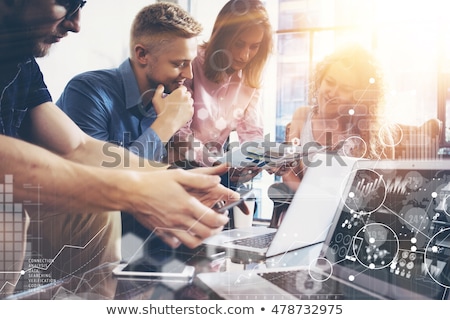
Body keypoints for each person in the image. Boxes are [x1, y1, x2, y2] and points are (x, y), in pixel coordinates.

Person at [0, 0, 238, 296]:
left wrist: (168, 178)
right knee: (19, 215)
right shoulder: (90, 90)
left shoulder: (22, 64)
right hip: (27, 208)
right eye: (67, 5)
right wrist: (163, 129)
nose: (76, 24)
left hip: (108, 229)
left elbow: (78, 146)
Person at [56, 3, 204, 253]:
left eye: (190, 63)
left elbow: (153, 182)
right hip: (80, 240)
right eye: (179, 63)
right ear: (142, 54)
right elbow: (100, 187)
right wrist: (166, 124)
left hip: (136, 238)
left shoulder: (163, 99)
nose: (188, 74)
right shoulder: (88, 92)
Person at [172, 0, 273, 184]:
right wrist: (218, 164)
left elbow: (252, 133)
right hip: (178, 166)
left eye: (254, 46)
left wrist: (258, 162)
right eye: (238, 44)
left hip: (216, 168)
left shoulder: (251, 78)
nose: (245, 55)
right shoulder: (193, 62)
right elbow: (179, 133)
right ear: (223, 37)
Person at [281, 43, 395, 193]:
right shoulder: (301, 117)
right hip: (306, 205)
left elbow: (384, 190)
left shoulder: (376, 134)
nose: (332, 93)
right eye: (329, 82)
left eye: (345, 89)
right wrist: (312, 200)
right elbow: (288, 172)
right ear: (320, 80)